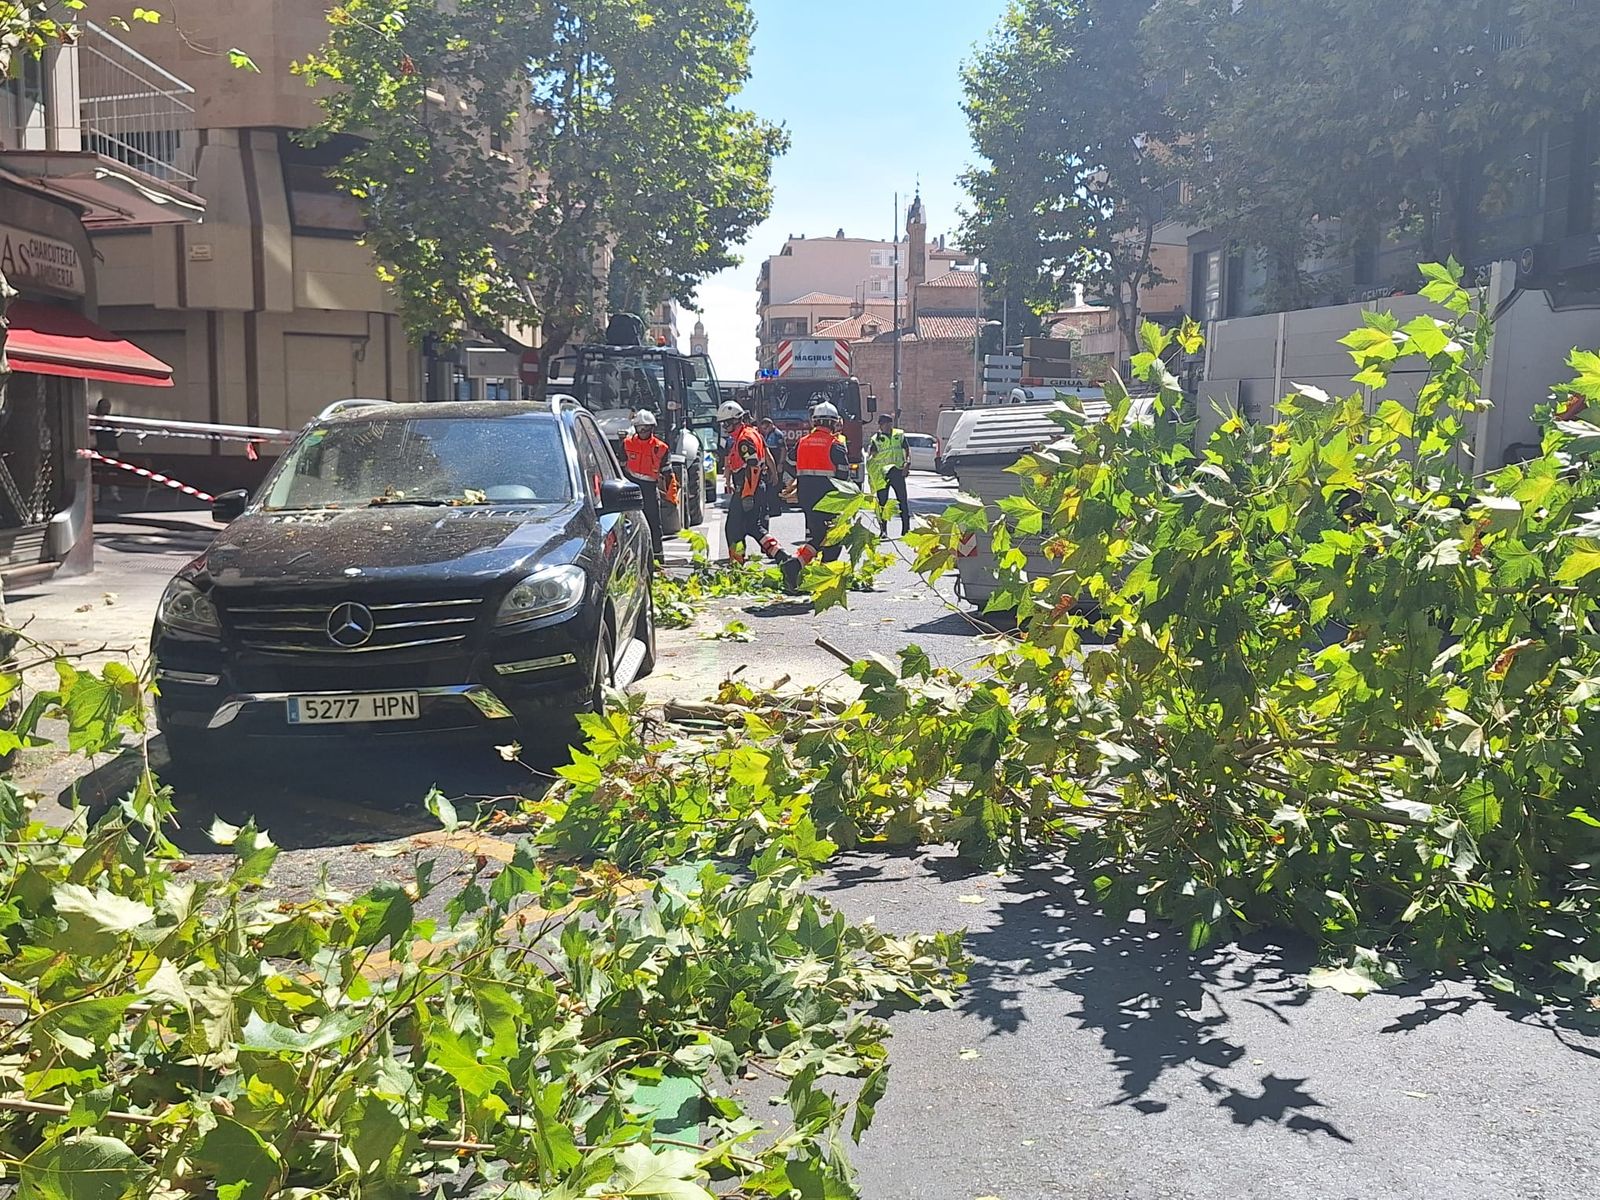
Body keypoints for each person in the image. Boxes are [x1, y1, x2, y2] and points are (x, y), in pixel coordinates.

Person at [781, 401, 851, 591]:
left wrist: (794, 483)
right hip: (829, 499)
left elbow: (788, 462)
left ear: (814, 421)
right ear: (833, 423)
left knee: (819, 534)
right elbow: (844, 476)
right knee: (833, 538)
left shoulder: (802, 442)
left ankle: (805, 571)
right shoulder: (835, 445)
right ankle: (810, 572)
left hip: (806, 497)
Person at [718, 401, 787, 566]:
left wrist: (747, 495)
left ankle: (737, 562)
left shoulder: (744, 440)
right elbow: (766, 455)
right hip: (756, 487)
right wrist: (773, 473)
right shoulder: (752, 433)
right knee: (753, 526)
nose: (724, 427)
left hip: (748, 488)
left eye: (726, 423)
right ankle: (779, 554)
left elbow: (753, 468)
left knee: (733, 529)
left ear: (735, 421)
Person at [622, 409, 670, 560]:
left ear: (652, 428)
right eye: (640, 427)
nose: (642, 431)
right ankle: (632, 557)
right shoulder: (626, 443)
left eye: (646, 428)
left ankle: (657, 558)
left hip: (650, 488)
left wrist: (670, 494)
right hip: (631, 487)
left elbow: (667, 472)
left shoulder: (661, 447)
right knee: (628, 524)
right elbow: (620, 465)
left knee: (654, 523)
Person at [868, 413, 911, 537]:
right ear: (880, 425)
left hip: (897, 471)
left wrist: (907, 463)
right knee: (882, 502)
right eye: (885, 424)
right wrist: (872, 475)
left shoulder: (899, 435)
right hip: (882, 474)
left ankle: (906, 529)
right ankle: (883, 530)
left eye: (889, 423)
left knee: (902, 500)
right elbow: (872, 456)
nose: (887, 426)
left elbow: (906, 449)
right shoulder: (876, 439)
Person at [93, 397, 123, 505]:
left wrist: (115, 424)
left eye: (107, 407)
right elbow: (92, 433)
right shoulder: (95, 419)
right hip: (100, 448)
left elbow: (118, 432)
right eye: (104, 406)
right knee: (97, 472)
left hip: (112, 448)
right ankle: (95, 496)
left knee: (113, 472)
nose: (106, 409)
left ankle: (115, 494)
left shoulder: (113, 419)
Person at [758, 417, 786, 515]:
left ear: (770, 425)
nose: (764, 430)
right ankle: (772, 508)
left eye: (766, 428)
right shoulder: (768, 434)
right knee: (771, 486)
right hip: (771, 464)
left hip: (777, 463)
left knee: (776, 487)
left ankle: (776, 509)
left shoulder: (777, 434)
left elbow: (783, 449)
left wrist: (780, 463)